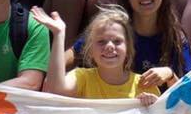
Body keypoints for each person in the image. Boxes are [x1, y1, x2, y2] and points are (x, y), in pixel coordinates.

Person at [70, 0, 191, 78]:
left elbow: (187, 89)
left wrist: (169, 74)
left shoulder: (175, 37)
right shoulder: (110, 28)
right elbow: (71, 56)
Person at [37, 6, 165, 105]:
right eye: (101, 41)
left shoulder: (145, 84)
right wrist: (59, 34)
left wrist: (154, 105)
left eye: (117, 41)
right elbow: (55, 91)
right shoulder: (82, 78)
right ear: (90, 50)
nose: (109, 46)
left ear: (128, 49)